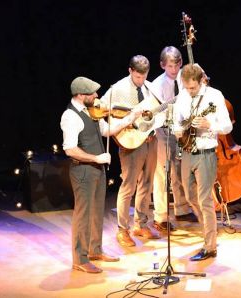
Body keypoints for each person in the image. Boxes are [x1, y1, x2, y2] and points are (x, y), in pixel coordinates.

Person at [61, 76, 140, 273]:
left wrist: (129, 119)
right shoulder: (70, 116)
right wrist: (96, 159)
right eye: (92, 93)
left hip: (97, 170)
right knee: (83, 215)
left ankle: (95, 250)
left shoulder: (92, 111)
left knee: (97, 212)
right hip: (83, 171)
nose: (97, 96)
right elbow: (70, 149)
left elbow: (107, 131)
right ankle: (80, 258)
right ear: (80, 95)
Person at [173, 64, 233, 261]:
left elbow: (226, 126)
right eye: (186, 87)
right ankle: (209, 230)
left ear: (201, 82)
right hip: (187, 151)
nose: (189, 91)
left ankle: (210, 246)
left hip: (206, 153)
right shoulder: (183, 95)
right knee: (190, 197)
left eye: (193, 88)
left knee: (205, 200)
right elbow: (176, 120)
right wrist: (177, 129)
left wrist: (210, 125)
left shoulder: (215, 96)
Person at [100, 55, 160, 247]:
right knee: (129, 185)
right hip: (130, 141)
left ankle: (141, 224)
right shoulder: (117, 89)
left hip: (150, 139)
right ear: (130, 71)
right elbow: (100, 109)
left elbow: (155, 111)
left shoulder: (150, 88)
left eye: (144, 77)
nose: (141, 81)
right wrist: (122, 124)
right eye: (137, 77)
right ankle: (122, 229)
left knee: (147, 183)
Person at [151, 46, 198, 232]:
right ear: (163, 65)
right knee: (163, 174)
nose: (174, 69)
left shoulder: (185, 77)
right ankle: (161, 217)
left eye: (177, 65)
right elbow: (156, 112)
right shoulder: (156, 85)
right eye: (170, 65)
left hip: (183, 131)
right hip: (164, 132)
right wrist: (175, 102)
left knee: (180, 171)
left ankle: (182, 209)